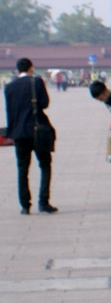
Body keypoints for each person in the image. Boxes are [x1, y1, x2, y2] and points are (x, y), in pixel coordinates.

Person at [4, 58, 57, 214]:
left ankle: (25, 205)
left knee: (22, 168)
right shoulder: (37, 82)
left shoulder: (9, 87)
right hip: (38, 129)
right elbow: (45, 103)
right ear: (31, 68)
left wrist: (11, 133)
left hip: (19, 133)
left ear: (17, 70)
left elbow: (10, 112)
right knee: (45, 164)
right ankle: (43, 201)